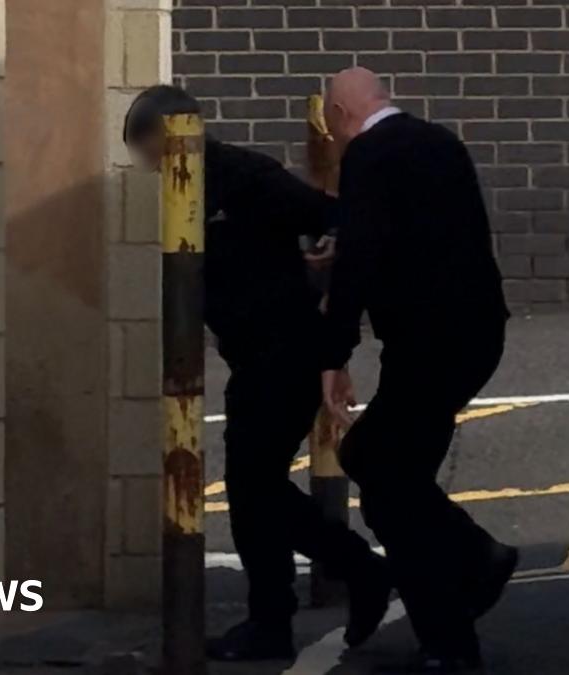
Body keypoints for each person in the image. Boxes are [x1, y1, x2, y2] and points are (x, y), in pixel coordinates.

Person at [122, 85, 391, 661]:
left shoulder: (241, 175)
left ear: (167, 135)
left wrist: (322, 257)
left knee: (254, 489)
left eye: (148, 151)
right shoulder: (204, 184)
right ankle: (290, 605)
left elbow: (329, 214)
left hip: (283, 351)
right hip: (259, 354)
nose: (149, 166)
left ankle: (339, 580)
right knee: (254, 490)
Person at [320, 68, 519, 672]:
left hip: (426, 343)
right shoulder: (441, 141)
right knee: (383, 471)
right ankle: (471, 561)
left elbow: (359, 257)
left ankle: (455, 626)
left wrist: (334, 356)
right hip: (475, 333)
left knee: (387, 476)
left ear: (336, 114)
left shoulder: (367, 155)